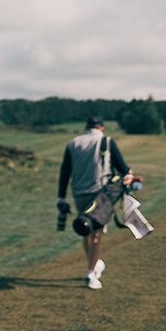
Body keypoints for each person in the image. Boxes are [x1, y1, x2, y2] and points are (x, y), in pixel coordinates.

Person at [57, 116, 134, 290]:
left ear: (86, 127)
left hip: (79, 194)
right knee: (97, 233)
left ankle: (95, 264)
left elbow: (65, 172)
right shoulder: (106, 141)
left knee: (86, 230)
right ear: (102, 128)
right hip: (100, 195)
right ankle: (91, 273)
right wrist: (129, 177)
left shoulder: (72, 143)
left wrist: (61, 197)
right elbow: (122, 167)